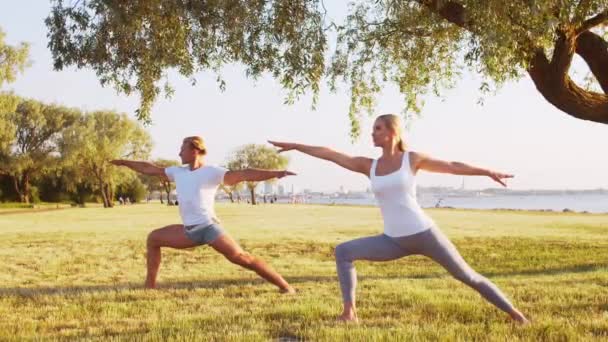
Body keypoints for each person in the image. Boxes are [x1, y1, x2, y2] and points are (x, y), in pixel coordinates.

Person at [269, 114, 528, 323]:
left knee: (468, 277)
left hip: (426, 234)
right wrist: (297, 146)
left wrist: (487, 172)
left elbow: (453, 166)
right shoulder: (368, 166)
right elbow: (332, 154)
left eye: (378, 128)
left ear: (393, 132)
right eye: (373, 129)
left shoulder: (411, 159)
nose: (373, 133)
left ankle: (516, 315)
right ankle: (350, 313)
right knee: (344, 252)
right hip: (393, 240)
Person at [111, 136, 296, 293]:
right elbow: (149, 168)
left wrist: (277, 173)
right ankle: (149, 287)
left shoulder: (212, 172)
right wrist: (124, 162)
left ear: (195, 150)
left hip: (209, 228)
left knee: (242, 258)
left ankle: (285, 287)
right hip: (189, 232)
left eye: (182, 149)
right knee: (153, 239)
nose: (179, 153)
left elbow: (244, 174)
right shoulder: (177, 171)